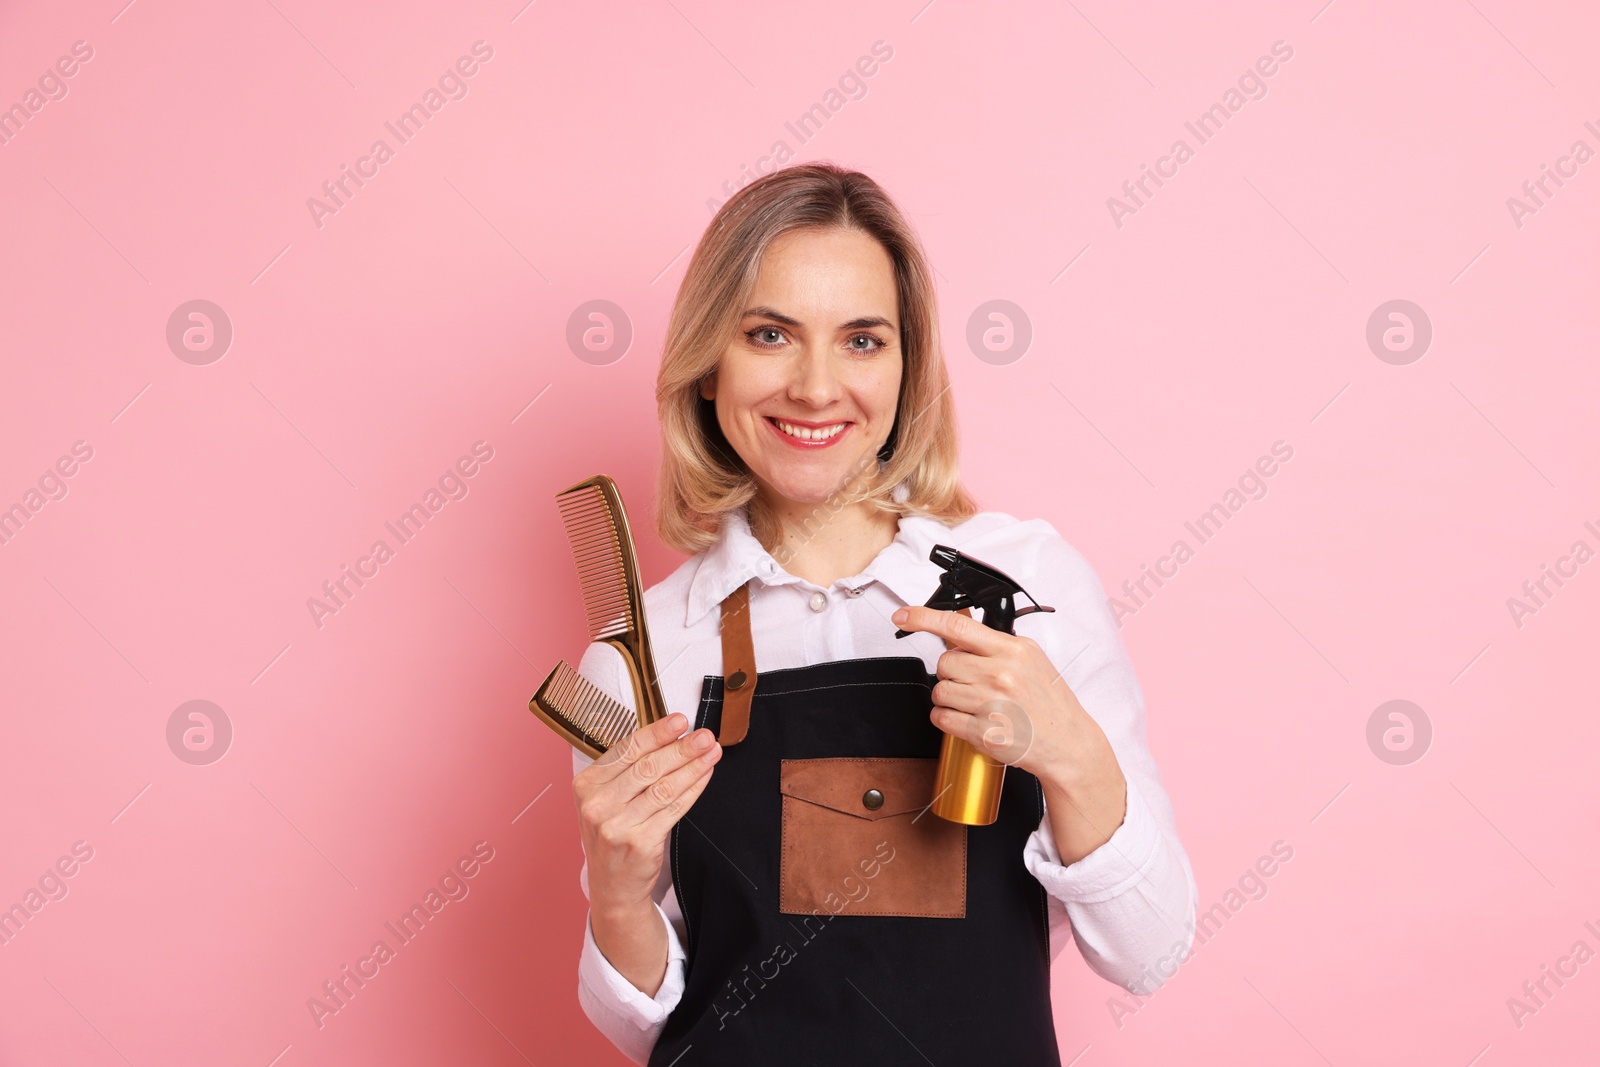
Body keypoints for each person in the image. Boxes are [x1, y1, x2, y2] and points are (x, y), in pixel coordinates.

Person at [568, 162, 1196, 1065]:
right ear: (709, 364)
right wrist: (616, 897)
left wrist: (1069, 748)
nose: (818, 388)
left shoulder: (1030, 582)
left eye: (862, 340)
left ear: (907, 368)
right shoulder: (648, 654)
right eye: (770, 334)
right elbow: (647, 1025)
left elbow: (1151, 948)